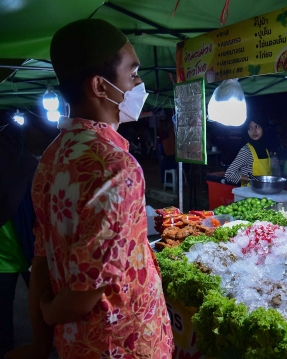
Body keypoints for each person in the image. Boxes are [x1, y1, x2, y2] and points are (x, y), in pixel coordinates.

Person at [6, 19, 173, 359]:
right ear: (100, 86)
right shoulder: (117, 168)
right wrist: (51, 312)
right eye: (133, 73)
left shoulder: (54, 155)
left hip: (75, 346)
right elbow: (83, 295)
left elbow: (42, 260)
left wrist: (40, 344)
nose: (140, 83)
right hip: (123, 345)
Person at [0, 128, 38, 358]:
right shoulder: (26, 163)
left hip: (29, 251)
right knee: (42, 304)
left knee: (3, 312)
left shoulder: (27, 165)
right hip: (32, 250)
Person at [225, 118, 274, 184]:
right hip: (249, 192)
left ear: (263, 128)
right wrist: (252, 179)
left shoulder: (266, 150)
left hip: (265, 191)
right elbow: (229, 174)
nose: (254, 131)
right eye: (250, 128)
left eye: (257, 126)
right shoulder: (246, 150)